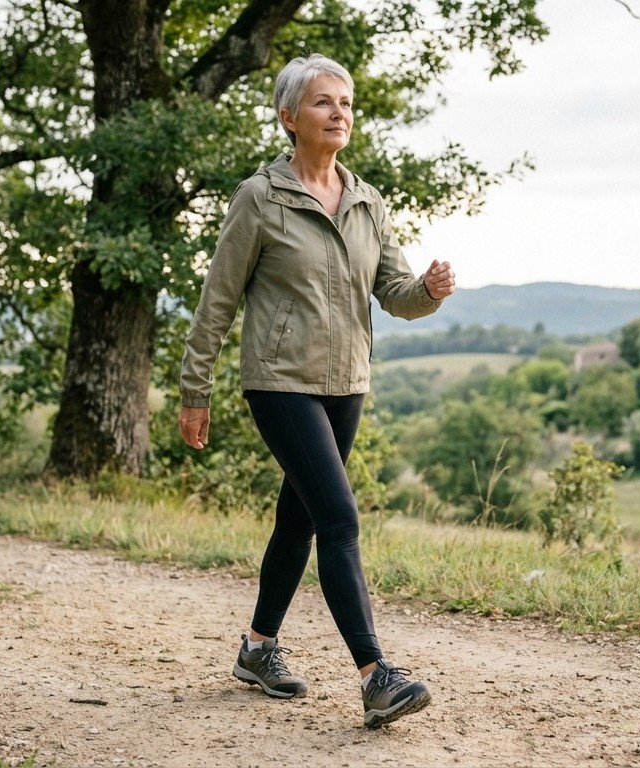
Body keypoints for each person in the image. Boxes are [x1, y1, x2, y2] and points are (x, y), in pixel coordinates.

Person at [177, 52, 456, 728]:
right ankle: (375, 675)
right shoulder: (260, 198)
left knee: (299, 518)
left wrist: (427, 291)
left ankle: (257, 648)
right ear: (289, 117)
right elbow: (218, 297)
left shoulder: (365, 199)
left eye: (347, 103)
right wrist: (195, 387)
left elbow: (392, 294)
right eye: (325, 102)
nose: (340, 113)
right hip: (280, 382)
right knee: (338, 516)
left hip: (346, 382)